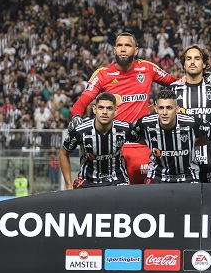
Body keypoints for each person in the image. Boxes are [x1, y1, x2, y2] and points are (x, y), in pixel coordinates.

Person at [69, 33, 179, 185]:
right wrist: (76, 116)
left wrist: (202, 78)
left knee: (144, 195)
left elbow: (175, 83)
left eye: (127, 45)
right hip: (113, 148)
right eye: (119, 45)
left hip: (141, 145)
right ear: (114, 49)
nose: (123, 49)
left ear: (135, 50)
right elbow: (82, 102)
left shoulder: (147, 68)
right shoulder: (103, 74)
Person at [126, 89, 210, 184]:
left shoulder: (192, 123)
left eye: (169, 108)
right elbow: (133, 135)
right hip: (157, 176)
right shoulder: (145, 123)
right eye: (161, 108)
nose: (164, 112)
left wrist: (193, 142)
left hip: (188, 176)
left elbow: (209, 135)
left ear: (177, 109)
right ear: (156, 108)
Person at [171, 45, 211, 183]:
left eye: (197, 58)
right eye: (188, 59)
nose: (192, 62)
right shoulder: (174, 89)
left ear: (204, 64)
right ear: (183, 64)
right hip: (182, 153)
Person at [60, 92, 130, 189]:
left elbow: (145, 140)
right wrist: (68, 185)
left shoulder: (125, 129)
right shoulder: (80, 131)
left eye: (109, 108)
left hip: (117, 181)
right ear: (94, 109)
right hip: (88, 182)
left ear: (116, 110)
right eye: (101, 107)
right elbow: (63, 153)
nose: (104, 112)